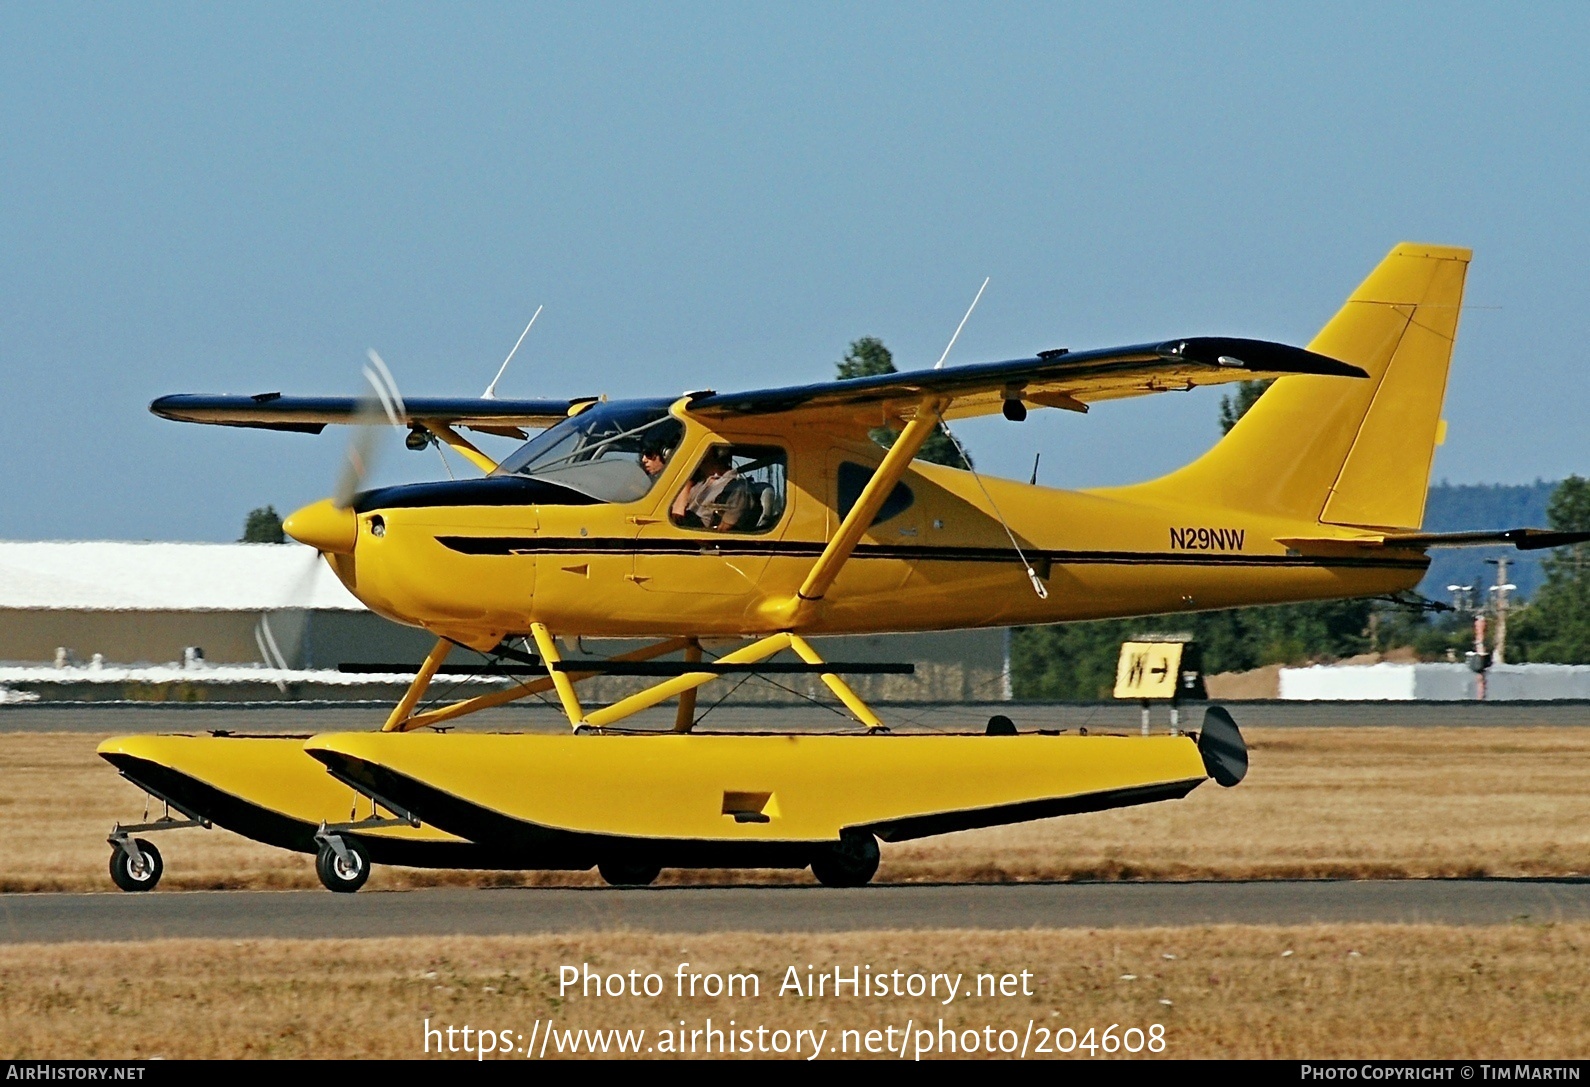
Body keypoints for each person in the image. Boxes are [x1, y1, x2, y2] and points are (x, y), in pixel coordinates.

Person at [672, 447, 749, 531]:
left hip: (700, 533)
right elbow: (678, 511)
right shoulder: (702, 481)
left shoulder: (736, 486)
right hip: (685, 526)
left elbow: (725, 527)